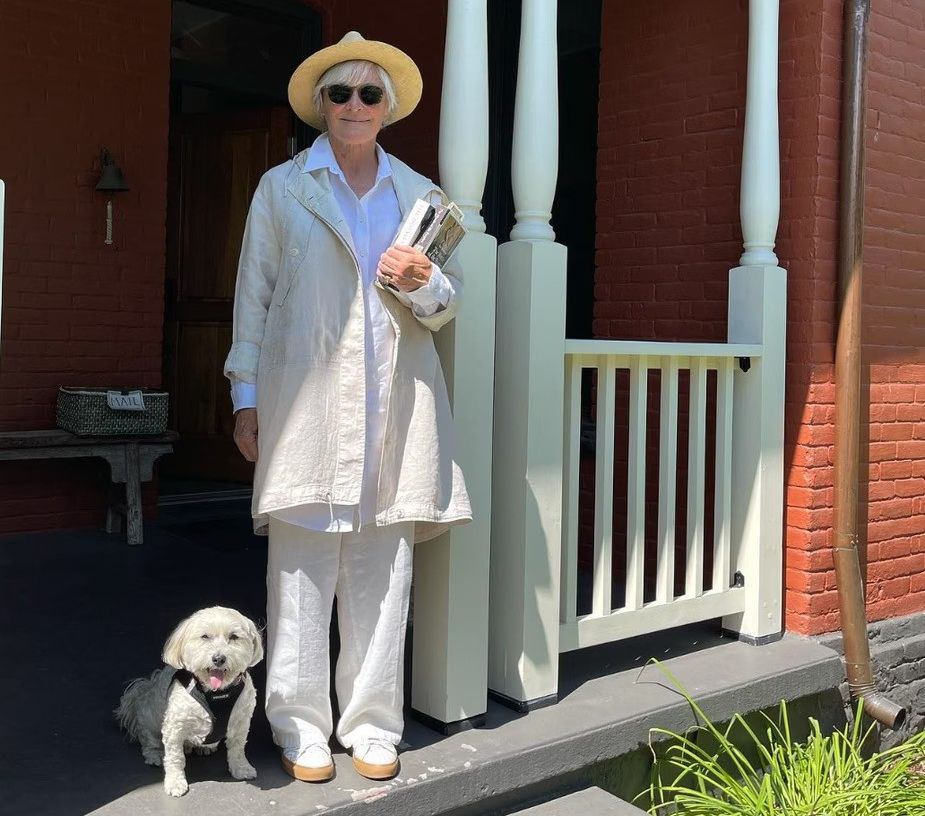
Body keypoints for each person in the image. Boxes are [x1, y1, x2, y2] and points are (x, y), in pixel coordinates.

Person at [223, 31, 471, 784]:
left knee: (381, 568)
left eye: (369, 93)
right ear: (321, 107)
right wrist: (245, 397)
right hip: (305, 404)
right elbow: (254, 297)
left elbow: (444, 307)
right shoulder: (284, 187)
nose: (354, 105)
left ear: (387, 107)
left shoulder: (420, 196)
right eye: (340, 93)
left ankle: (370, 725)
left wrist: (422, 279)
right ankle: (299, 727)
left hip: (393, 404)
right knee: (299, 571)